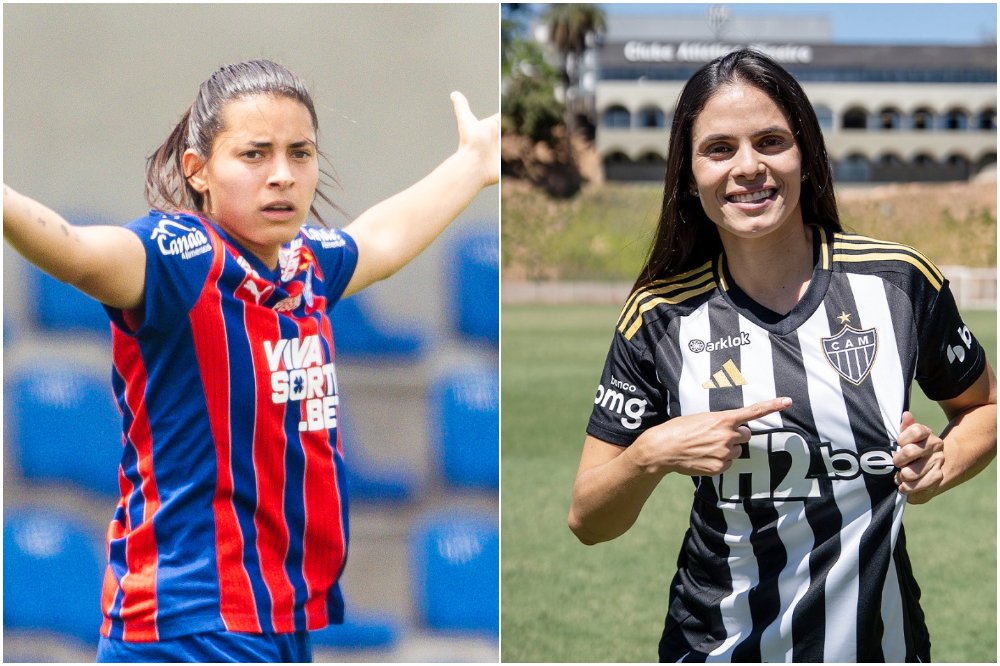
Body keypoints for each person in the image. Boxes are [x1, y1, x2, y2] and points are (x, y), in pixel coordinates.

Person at [4, 59, 498, 663]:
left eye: (301, 153)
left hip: (276, 619)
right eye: (254, 155)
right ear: (199, 171)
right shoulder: (179, 260)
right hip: (188, 624)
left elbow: (383, 239)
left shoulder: (306, 266)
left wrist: (473, 164)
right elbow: (77, 251)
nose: (283, 176)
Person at [569, 48, 995, 663]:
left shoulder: (897, 283)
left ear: (806, 156)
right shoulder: (658, 317)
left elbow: (985, 407)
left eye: (771, 141)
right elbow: (589, 517)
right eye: (719, 149)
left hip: (880, 645)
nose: (749, 168)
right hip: (715, 646)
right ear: (688, 174)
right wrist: (651, 453)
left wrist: (942, 462)